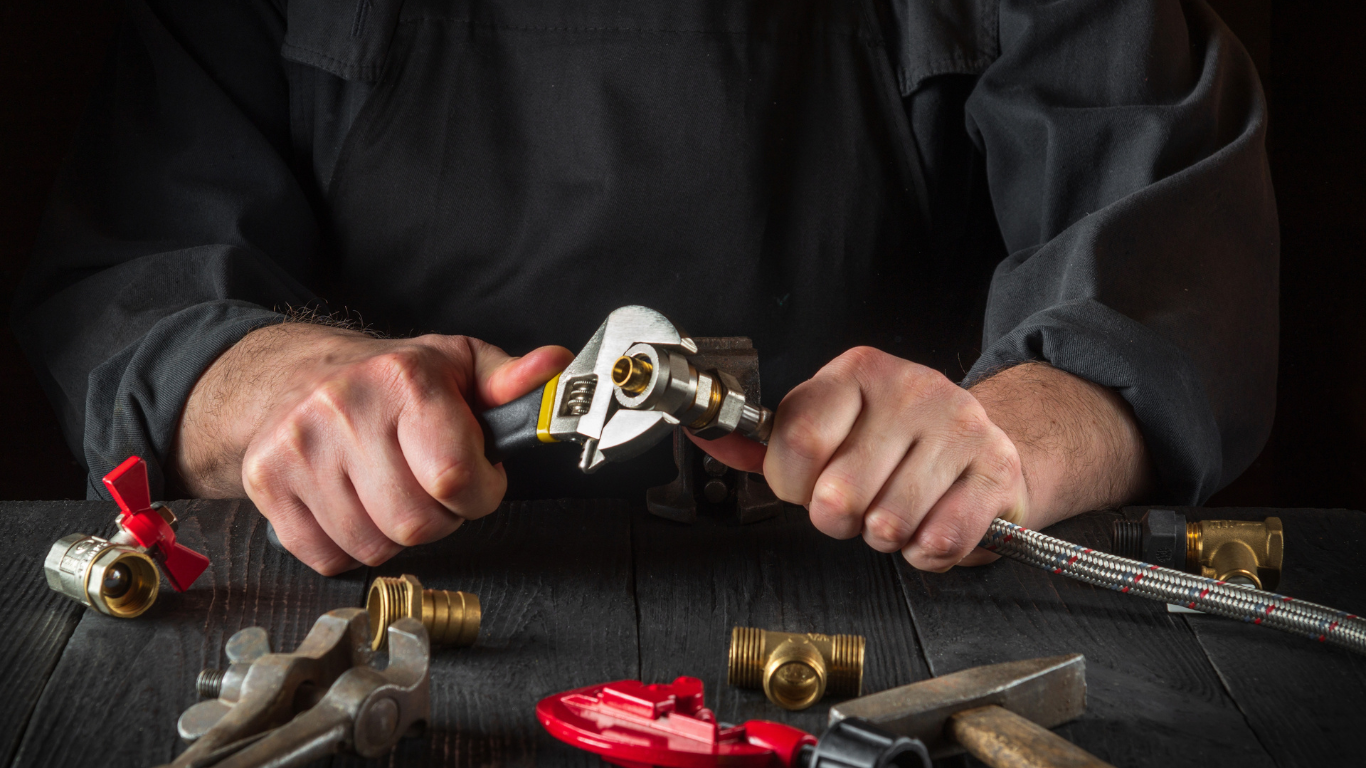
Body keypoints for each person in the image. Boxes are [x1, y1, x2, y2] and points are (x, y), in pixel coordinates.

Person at [13, 0, 1276, 576]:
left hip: (898, 599)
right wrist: (292, 392)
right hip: (387, 607)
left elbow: (1161, 249)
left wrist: (1006, 436)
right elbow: (141, 273)